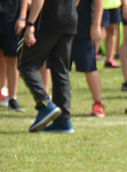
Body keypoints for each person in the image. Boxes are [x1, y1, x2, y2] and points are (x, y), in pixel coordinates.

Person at [19, 0, 77, 133]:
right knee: (61, 71)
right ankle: (63, 121)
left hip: (48, 19)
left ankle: (45, 103)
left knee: (27, 64)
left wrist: (30, 23)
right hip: (70, 17)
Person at [73, 0, 106, 117]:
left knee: (89, 67)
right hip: (62, 27)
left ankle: (98, 103)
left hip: (84, 27)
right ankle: (58, 103)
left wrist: (96, 24)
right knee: (59, 69)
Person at [0, 0, 24, 111]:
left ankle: (12, 98)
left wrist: (22, 17)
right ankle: (2, 93)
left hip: (11, 17)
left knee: (12, 58)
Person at [101, 0, 122, 68]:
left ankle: (110, 60)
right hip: (101, 4)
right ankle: (91, 56)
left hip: (114, 4)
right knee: (101, 32)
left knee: (113, 30)